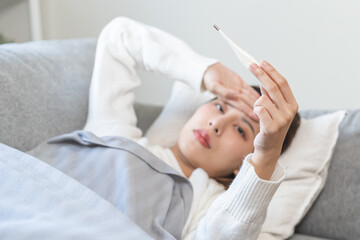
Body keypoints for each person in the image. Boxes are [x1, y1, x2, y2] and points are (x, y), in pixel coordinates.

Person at [80, 16, 299, 239]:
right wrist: (204, 71)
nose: (216, 124)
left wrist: (267, 156)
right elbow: (119, 36)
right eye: (220, 107)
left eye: (240, 130)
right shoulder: (114, 134)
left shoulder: (207, 206)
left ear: (242, 165)